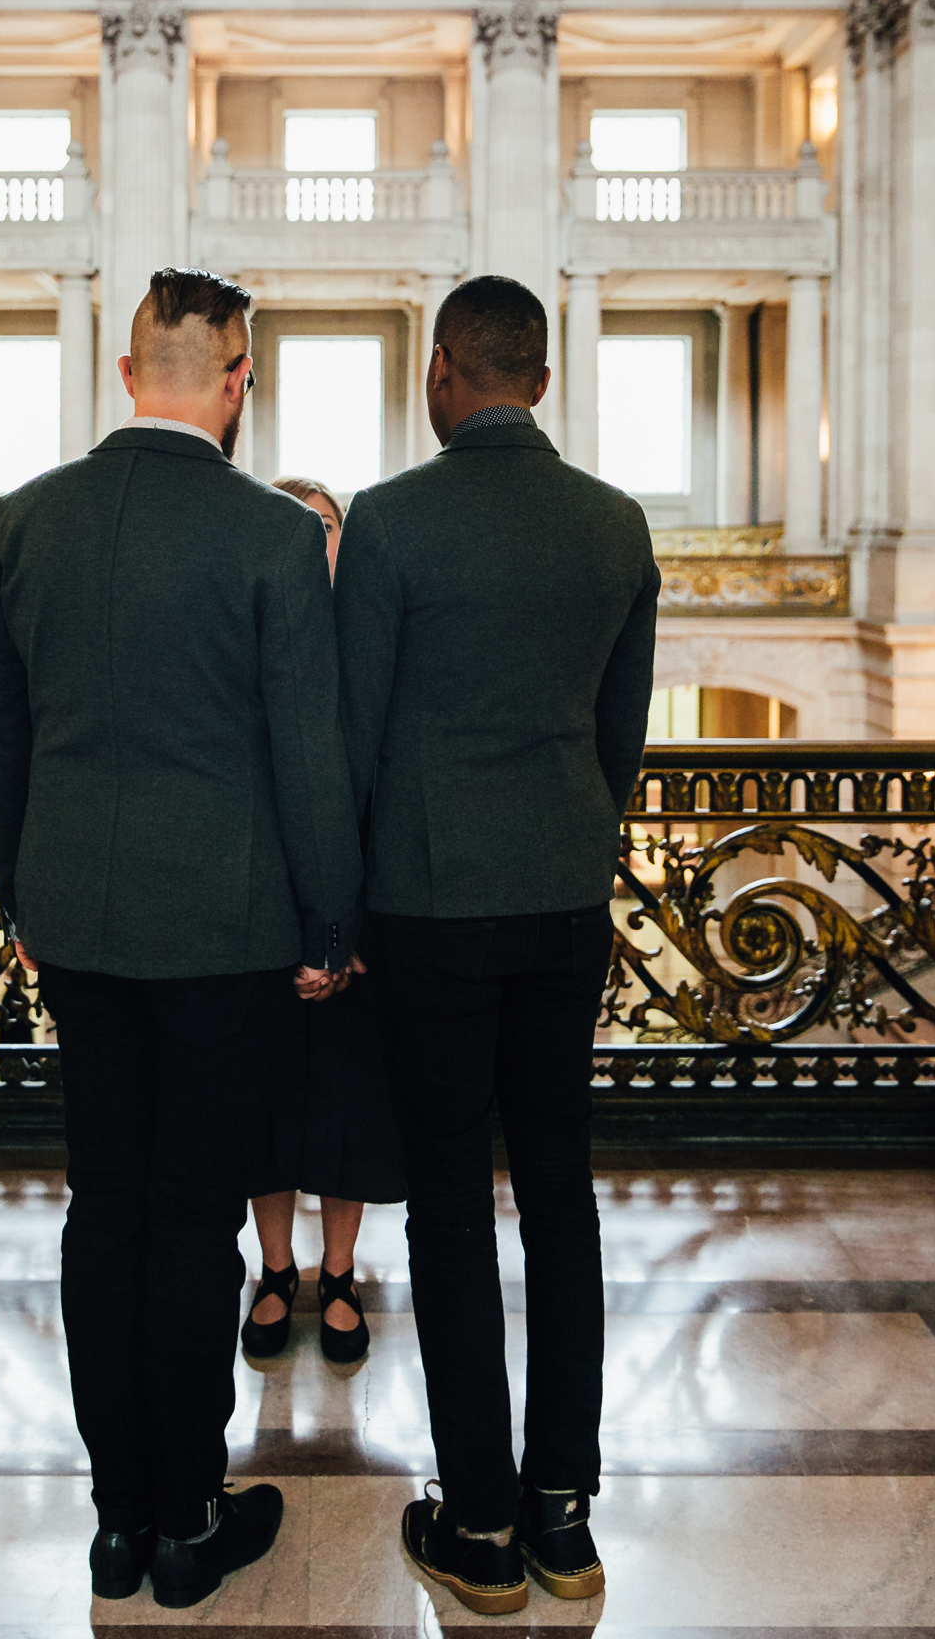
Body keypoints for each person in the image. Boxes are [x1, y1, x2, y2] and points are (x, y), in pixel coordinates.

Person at [0, 268, 363, 1612]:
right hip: (226, 935)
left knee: (103, 1214)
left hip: (74, 926)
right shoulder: (264, 538)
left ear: (129, 372)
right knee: (194, 1222)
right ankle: (190, 1513)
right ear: (237, 377)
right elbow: (307, 754)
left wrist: (21, 896)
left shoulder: (22, 523)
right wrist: (330, 919)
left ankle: (117, 1517)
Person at [334, 274, 658, 1618]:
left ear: (445, 370)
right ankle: (564, 1513)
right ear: (542, 374)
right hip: (562, 898)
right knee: (565, 1194)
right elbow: (621, 733)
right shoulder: (613, 524)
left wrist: (334, 910)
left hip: (426, 906)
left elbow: (353, 734)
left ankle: (474, 1522)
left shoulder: (394, 525)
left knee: (454, 1207)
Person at [242, 477, 405, 1367]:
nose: (310, 542)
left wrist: (351, 936)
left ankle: (337, 1273)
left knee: (352, 1107)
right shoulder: (249, 633)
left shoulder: (371, 637)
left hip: (366, 925)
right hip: (262, 924)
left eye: (325, 528)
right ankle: (274, 1270)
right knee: (264, 1107)